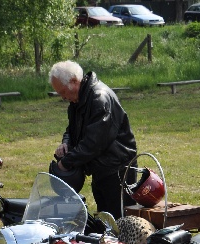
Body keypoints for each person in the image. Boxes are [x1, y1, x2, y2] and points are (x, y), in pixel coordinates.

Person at [49, 60, 138, 218]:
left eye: (63, 92)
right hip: (100, 168)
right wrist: (66, 143)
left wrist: (67, 162)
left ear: (74, 81)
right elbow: (72, 129)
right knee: (105, 220)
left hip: (117, 169)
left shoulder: (99, 98)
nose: (62, 97)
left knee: (120, 222)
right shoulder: (77, 100)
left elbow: (94, 143)